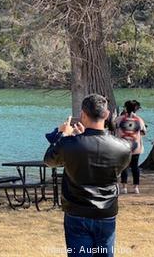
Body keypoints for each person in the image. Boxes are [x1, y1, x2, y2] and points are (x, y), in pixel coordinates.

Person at [44, 94, 132, 257]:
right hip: (106, 211)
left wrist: (64, 134)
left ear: (83, 115)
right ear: (106, 115)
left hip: (77, 212)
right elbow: (115, 170)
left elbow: (49, 160)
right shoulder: (124, 148)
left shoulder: (69, 143)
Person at [115, 100, 147, 194]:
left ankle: (124, 187)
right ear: (136, 109)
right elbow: (143, 132)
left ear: (125, 108)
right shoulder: (139, 120)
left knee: (124, 166)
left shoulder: (119, 119)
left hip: (122, 146)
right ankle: (135, 187)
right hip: (135, 147)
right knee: (135, 167)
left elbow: (113, 127)